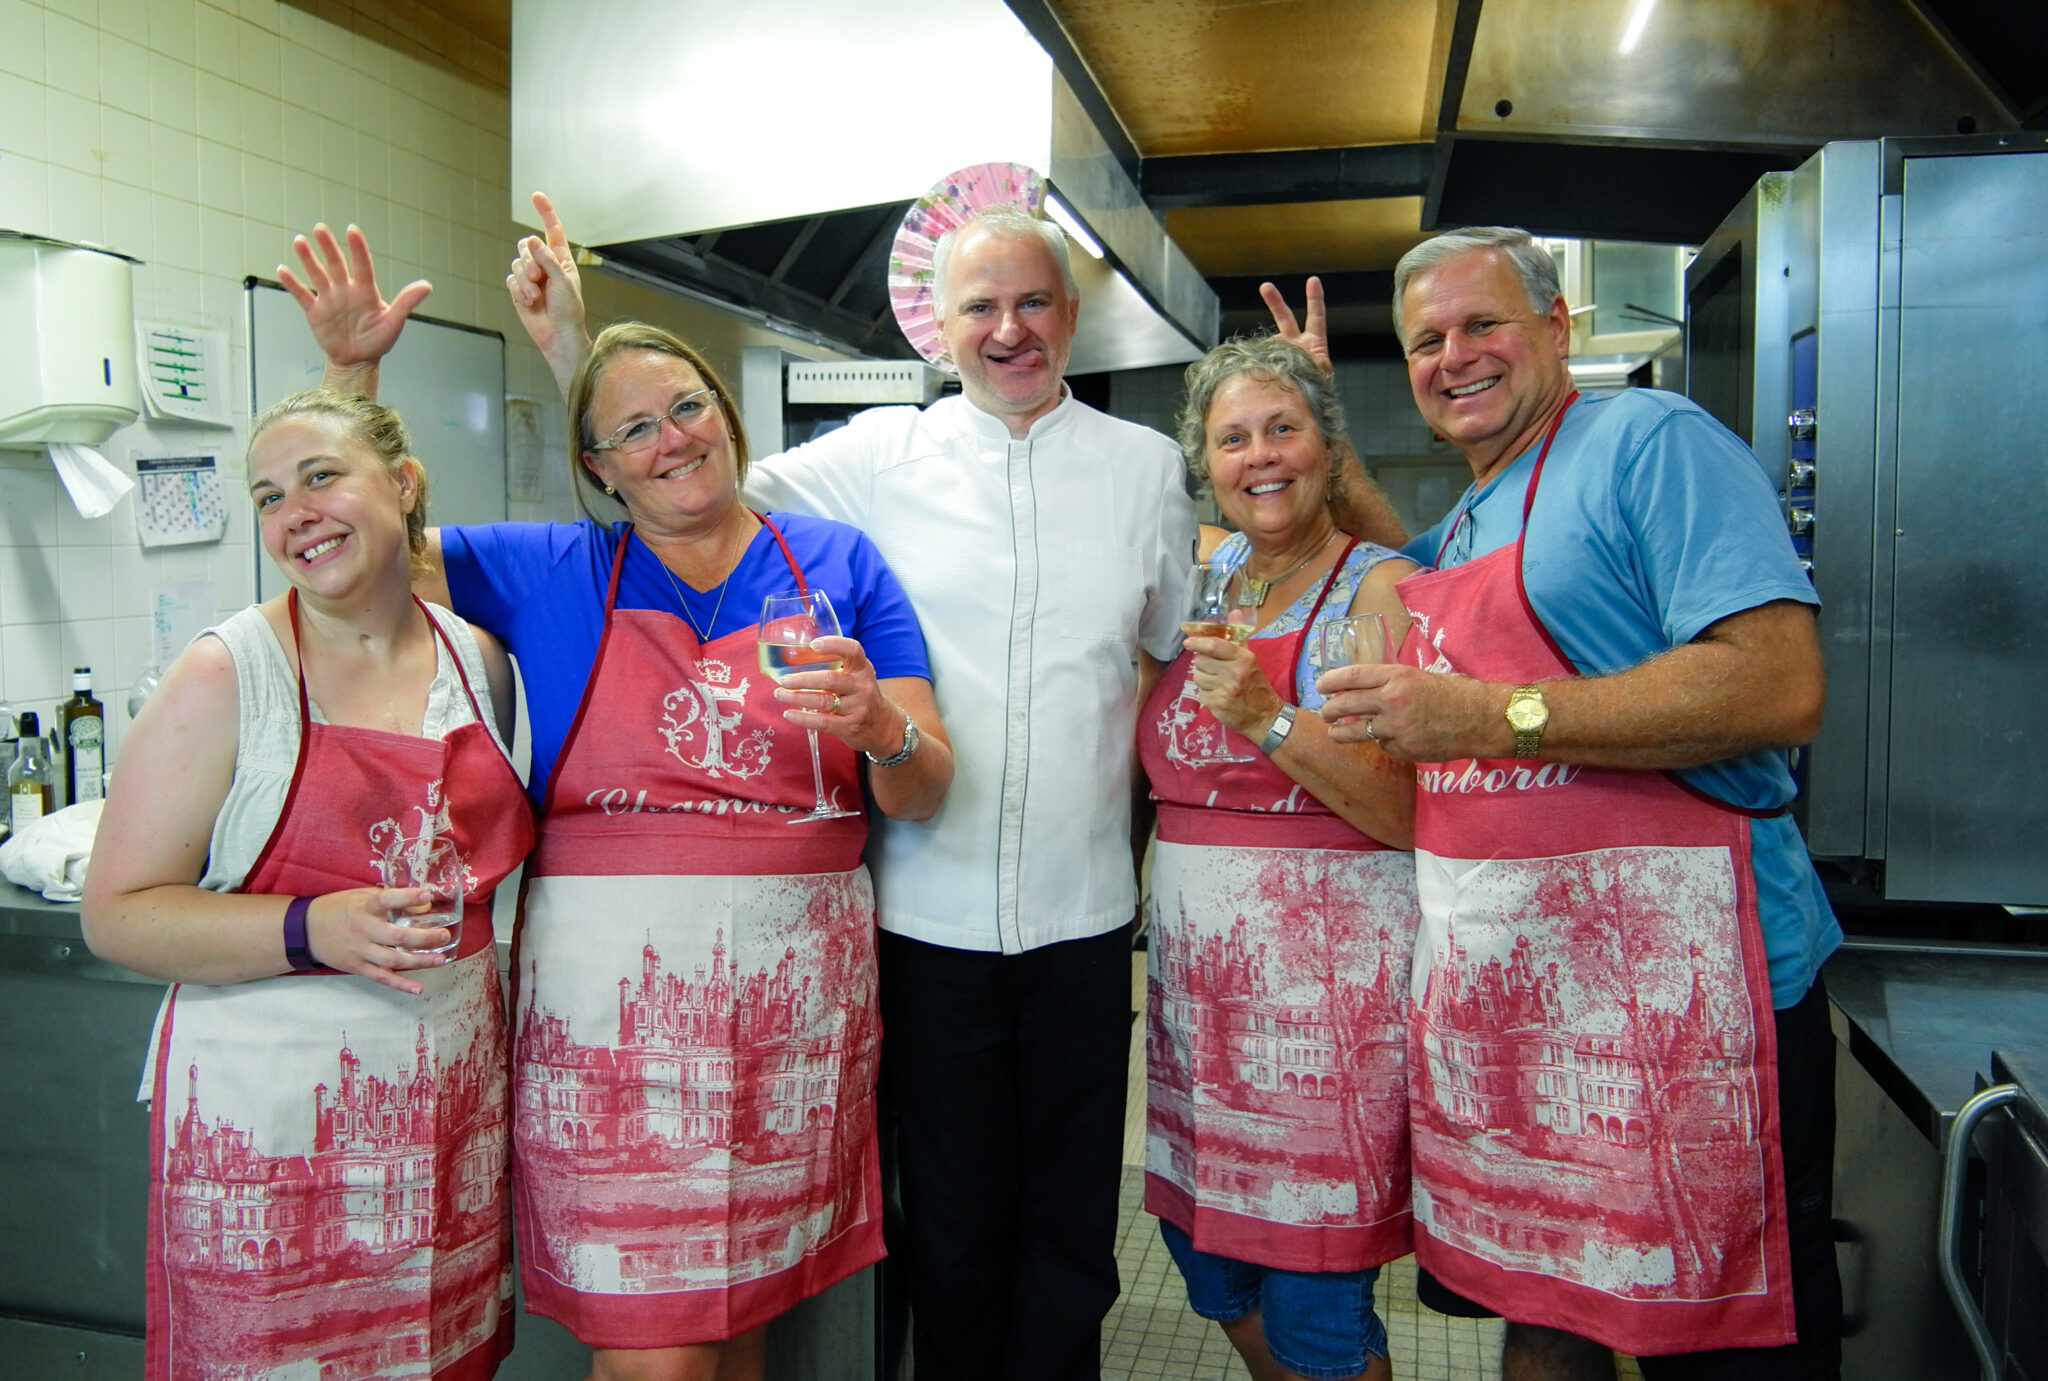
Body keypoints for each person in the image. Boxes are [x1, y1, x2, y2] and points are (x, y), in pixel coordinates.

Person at [504, 192, 1193, 1379]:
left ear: (1071, 316)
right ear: (940, 326)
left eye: (1033, 302)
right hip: (919, 924)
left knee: (1077, 1227)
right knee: (952, 1232)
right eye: (981, 306)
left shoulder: (1145, 470)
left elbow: (1172, 656)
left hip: (1085, 920)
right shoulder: (879, 458)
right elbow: (685, 480)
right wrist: (574, 345)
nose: (1009, 328)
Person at [287, 224, 954, 1381]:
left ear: (728, 419)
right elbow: (359, 560)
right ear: (599, 467)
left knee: (736, 1314)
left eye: (687, 409)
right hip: (610, 1014)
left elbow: (927, 785)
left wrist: (880, 731)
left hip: (794, 1003)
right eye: (634, 430)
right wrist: (353, 380)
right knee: (659, 1346)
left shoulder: (837, 563)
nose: (670, 441)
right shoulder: (550, 568)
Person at [1308, 226, 1844, 1380]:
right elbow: (1411, 560)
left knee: (1722, 1338)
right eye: (1426, 340)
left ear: (1556, 329)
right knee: (1543, 1308)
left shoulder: (1646, 442)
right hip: (1530, 1011)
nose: (1454, 356)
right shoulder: (1473, 512)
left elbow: (1777, 680)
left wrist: (1494, 718)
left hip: (1693, 1010)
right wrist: (1329, 451)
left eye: (1481, 324)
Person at [83, 389, 535, 1380]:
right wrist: (308, 927)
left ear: (404, 485)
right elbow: (117, 913)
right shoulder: (226, 672)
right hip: (274, 1123)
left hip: (446, 1117)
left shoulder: (482, 662)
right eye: (269, 494)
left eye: (321, 476)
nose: (294, 511)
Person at [1139, 335, 1421, 1381]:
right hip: (1194, 1008)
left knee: (1314, 1301)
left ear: (1326, 447)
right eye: (1231, 438)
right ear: (1203, 463)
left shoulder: (1377, 590)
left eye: (1282, 429)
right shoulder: (1201, 575)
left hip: (1325, 1014)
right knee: (1206, 1260)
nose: (1259, 457)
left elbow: (1402, 809)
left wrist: (1266, 718)